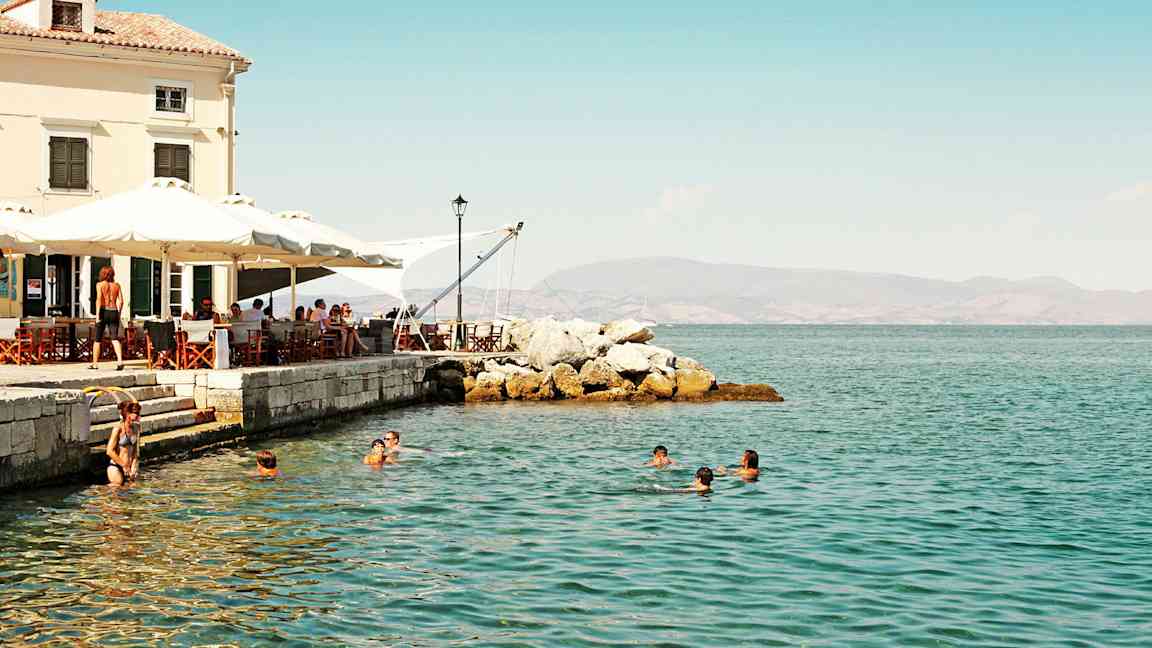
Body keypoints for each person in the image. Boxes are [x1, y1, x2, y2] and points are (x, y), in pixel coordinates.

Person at [90, 265, 125, 371]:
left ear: (102, 274)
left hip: (103, 311)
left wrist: (97, 316)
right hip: (114, 311)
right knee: (114, 338)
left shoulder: (100, 284)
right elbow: (121, 301)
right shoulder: (117, 285)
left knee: (97, 339)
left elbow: (99, 300)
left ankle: (95, 364)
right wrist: (118, 313)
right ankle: (120, 361)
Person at [106, 401, 141, 486]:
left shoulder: (136, 428)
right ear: (127, 414)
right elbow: (109, 451)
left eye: (138, 415)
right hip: (116, 467)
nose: (137, 418)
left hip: (129, 469)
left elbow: (135, 451)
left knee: (133, 491)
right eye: (134, 415)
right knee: (117, 489)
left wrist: (133, 467)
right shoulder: (117, 429)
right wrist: (124, 466)